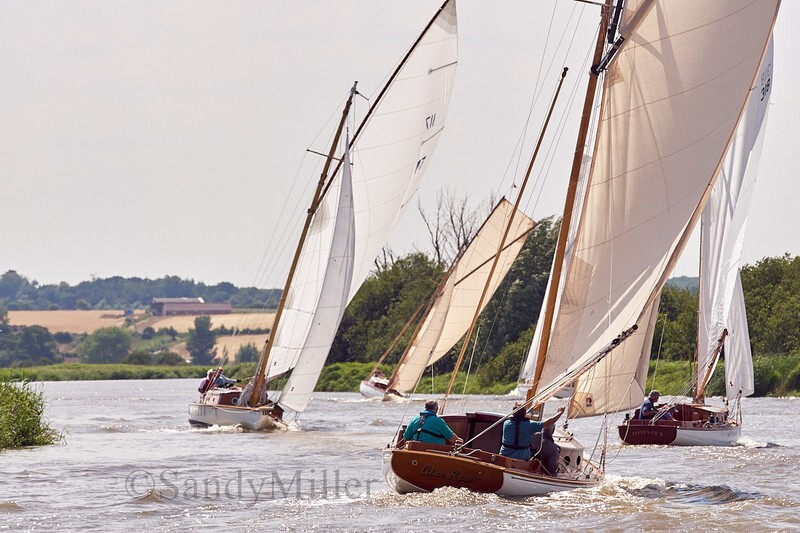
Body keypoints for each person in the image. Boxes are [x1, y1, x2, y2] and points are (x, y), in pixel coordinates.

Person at [499, 404, 565, 461]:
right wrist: (560, 412)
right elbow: (549, 422)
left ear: (513, 413)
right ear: (524, 414)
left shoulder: (506, 423)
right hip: (521, 457)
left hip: (504, 455)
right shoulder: (530, 425)